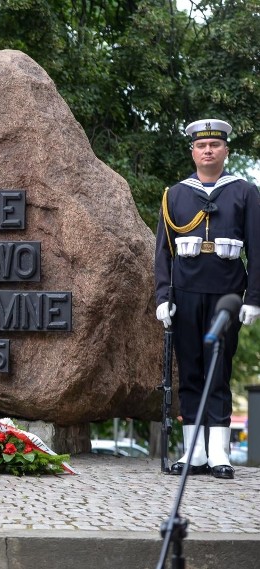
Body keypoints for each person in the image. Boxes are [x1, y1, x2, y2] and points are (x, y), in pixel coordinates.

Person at [154, 118, 260, 480]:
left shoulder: (245, 192)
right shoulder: (176, 195)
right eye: (201, 146)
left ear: (226, 150)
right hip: (185, 294)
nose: (208, 150)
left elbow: (258, 251)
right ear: (193, 151)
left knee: (219, 369)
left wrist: (254, 299)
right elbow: (163, 254)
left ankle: (219, 453)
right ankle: (194, 452)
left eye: (215, 145)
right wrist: (162, 297)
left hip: (227, 295)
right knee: (191, 371)